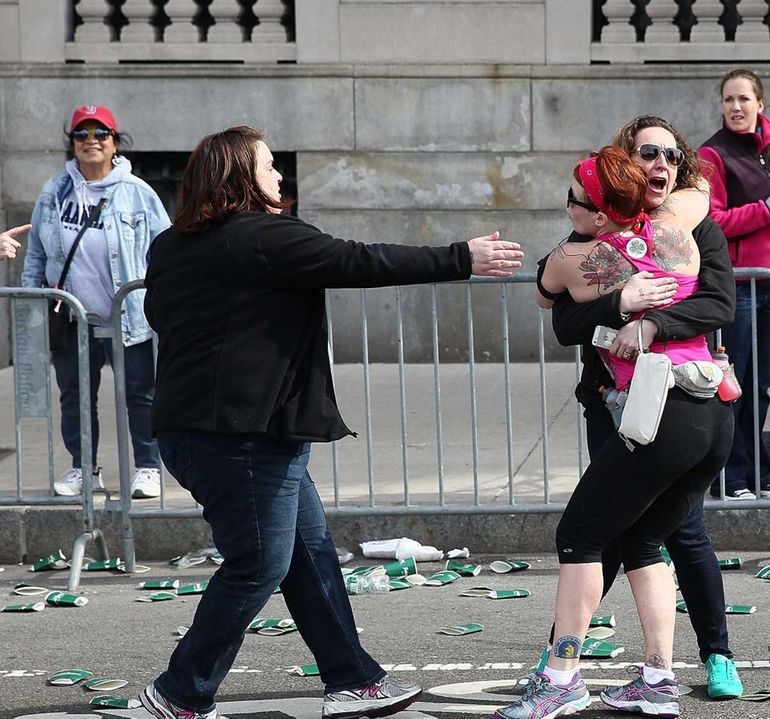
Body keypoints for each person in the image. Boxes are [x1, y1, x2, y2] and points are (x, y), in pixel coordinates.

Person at [137, 126, 522, 719]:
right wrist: (460, 258)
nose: (279, 177)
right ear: (239, 175)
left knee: (309, 554)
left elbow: (160, 317)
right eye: (268, 166)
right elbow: (357, 260)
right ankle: (179, 692)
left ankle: (352, 680)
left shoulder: (170, 246)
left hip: (200, 432)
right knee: (258, 564)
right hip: (243, 437)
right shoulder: (265, 237)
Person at [497, 147, 733, 719]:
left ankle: (560, 678)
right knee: (644, 539)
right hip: (713, 412)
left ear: (601, 215)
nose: (567, 209)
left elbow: (545, 293)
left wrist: (612, 294)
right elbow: (696, 200)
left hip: (661, 413)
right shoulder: (676, 235)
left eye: (575, 202)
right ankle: (657, 679)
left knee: (580, 537)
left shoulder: (578, 258)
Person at [21, 104, 170, 500]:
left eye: (100, 134)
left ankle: (148, 466)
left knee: (141, 394)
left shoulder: (138, 193)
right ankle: (84, 468)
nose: (91, 142)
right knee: (76, 397)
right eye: (82, 135)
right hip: (71, 316)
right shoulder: (55, 192)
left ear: (115, 143)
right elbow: (36, 252)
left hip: (129, 316)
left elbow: (166, 249)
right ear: (71, 144)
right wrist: (31, 304)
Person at [698, 68, 770, 501]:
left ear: (761, 104)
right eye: (729, 100)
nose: (736, 107)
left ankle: (758, 475)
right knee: (733, 385)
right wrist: (767, 209)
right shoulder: (713, 155)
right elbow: (713, 221)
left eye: (744, 99)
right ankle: (731, 476)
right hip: (738, 285)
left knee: (758, 388)